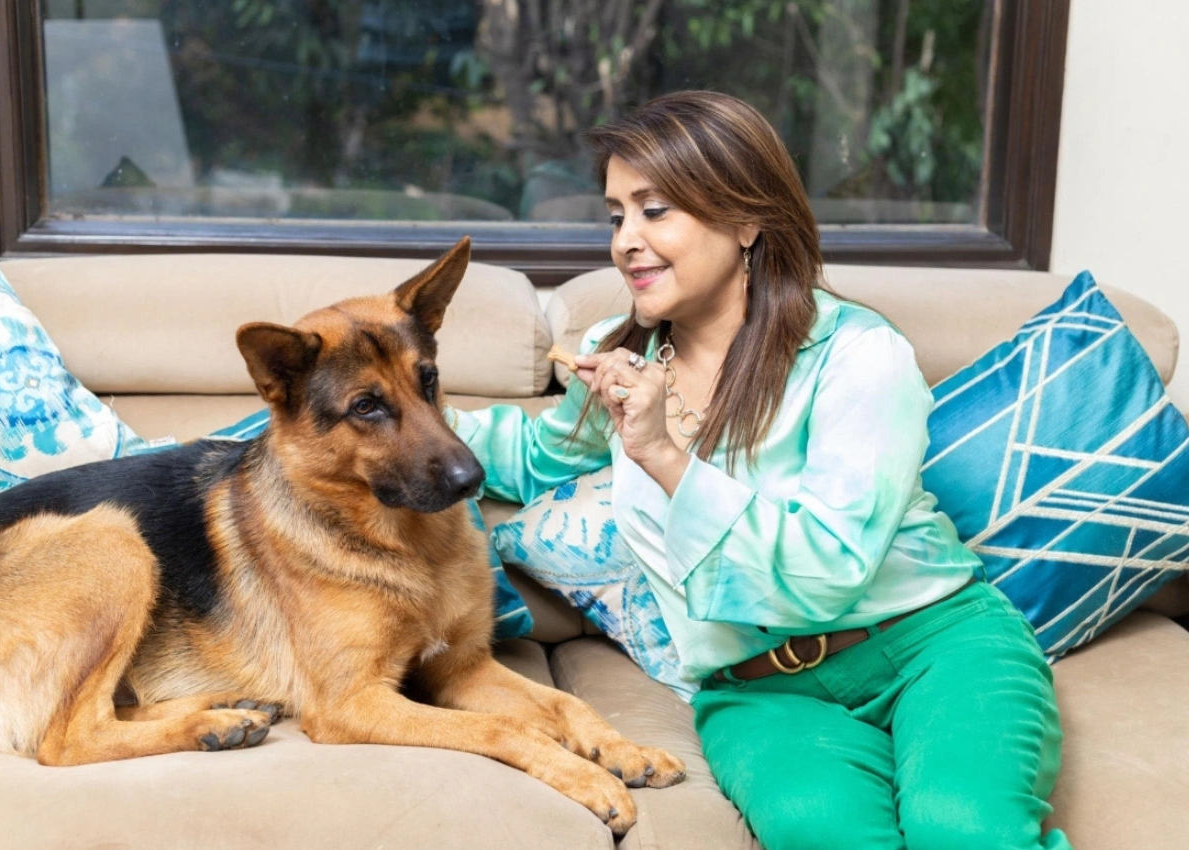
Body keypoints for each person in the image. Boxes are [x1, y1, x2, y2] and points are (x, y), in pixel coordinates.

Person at [450, 90, 1070, 850]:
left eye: (655, 210)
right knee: (828, 836)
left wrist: (665, 456)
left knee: (964, 831)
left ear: (746, 219)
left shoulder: (856, 353)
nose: (626, 242)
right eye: (616, 216)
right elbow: (530, 456)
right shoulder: (622, 359)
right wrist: (369, 409)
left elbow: (832, 567)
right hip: (761, 691)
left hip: (931, 645)